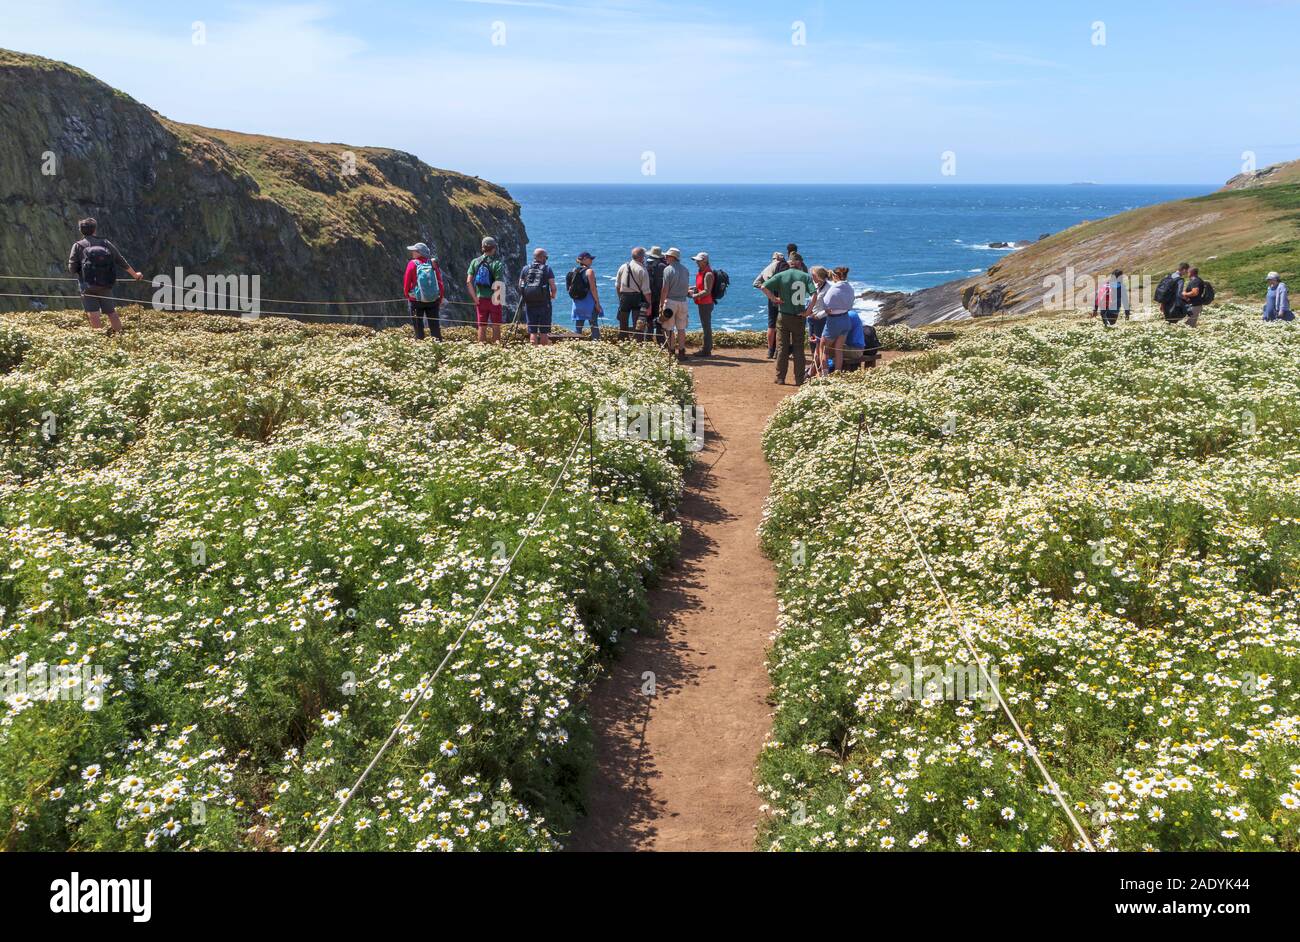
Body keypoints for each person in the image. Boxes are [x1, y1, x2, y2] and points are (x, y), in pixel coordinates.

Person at [66, 217, 144, 335]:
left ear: (81, 230)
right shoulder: (105, 243)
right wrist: (135, 275)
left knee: (93, 314)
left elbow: (71, 269)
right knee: (111, 313)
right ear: (94, 230)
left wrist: (82, 271)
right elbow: (120, 260)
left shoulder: (77, 246)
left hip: (87, 286)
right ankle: (120, 337)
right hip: (105, 284)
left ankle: (99, 341)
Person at [762, 255, 815, 385]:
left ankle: (780, 378)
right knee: (798, 349)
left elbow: (763, 286)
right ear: (799, 263)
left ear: (790, 263)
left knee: (782, 348)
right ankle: (799, 379)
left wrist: (774, 299)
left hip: (784, 315)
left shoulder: (781, 275)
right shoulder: (805, 276)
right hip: (799, 316)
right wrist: (808, 311)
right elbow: (815, 294)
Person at [466, 236, 507, 344]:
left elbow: (468, 281)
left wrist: (475, 298)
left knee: (482, 326)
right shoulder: (497, 264)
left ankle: (481, 350)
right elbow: (498, 285)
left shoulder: (475, 262)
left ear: (482, 248)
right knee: (496, 326)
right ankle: (496, 351)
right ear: (494, 248)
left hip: (480, 298)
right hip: (494, 299)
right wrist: (499, 300)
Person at [817, 267, 857, 373]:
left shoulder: (834, 289)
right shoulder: (849, 287)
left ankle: (824, 375)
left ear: (835, 276)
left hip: (834, 321)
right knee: (838, 349)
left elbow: (825, 305)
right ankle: (837, 374)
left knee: (823, 349)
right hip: (845, 319)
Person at [402, 242, 443, 341]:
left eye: (414, 251)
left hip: (416, 300)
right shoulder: (432, 263)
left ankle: (420, 348)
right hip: (433, 300)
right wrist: (440, 297)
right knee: (434, 327)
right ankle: (438, 348)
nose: (412, 252)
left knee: (418, 326)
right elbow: (439, 281)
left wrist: (408, 295)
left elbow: (407, 282)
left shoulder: (412, 264)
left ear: (419, 253)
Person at [518, 247, 557, 345]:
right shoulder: (547, 269)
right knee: (544, 331)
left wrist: (526, 295)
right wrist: (553, 296)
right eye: (546, 257)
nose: (546, 259)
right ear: (542, 257)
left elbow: (520, 285)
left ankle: (533, 352)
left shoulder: (526, 268)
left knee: (532, 330)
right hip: (544, 303)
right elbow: (553, 286)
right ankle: (543, 352)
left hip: (530, 302)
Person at [658, 247, 691, 361]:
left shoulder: (668, 269)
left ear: (673, 257)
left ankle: (671, 351)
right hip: (683, 302)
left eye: (667, 256)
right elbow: (686, 287)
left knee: (669, 328)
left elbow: (665, 289)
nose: (665, 257)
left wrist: (661, 304)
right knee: (681, 328)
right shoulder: (685, 269)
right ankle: (682, 352)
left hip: (671, 302)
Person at [754, 251, 788, 359]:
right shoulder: (785, 267)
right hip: (782, 298)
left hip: (772, 298)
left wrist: (769, 292)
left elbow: (756, 283)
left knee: (771, 325)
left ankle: (770, 350)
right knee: (782, 325)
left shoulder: (767, 268)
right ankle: (778, 350)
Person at [615, 247, 653, 340]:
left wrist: (620, 297)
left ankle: (623, 340)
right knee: (638, 322)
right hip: (637, 297)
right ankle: (637, 342)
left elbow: (617, 285)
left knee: (623, 322)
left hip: (624, 296)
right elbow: (646, 291)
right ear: (641, 257)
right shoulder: (642, 270)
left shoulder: (623, 266)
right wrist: (649, 305)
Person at [568, 252, 603, 339]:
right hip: (589, 302)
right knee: (594, 324)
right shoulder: (589, 271)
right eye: (590, 259)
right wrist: (597, 303)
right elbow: (593, 289)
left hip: (577, 302)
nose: (592, 261)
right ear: (584, 260)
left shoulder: (573, 270)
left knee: (578, 326)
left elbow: (569, 288)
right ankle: (596, 344)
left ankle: (576, 344)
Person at [688, 251, 716, 357]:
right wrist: (690, 288)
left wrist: (693, 296)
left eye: (699, 261)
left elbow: (707, 291)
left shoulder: (708, 274)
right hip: (702, 303)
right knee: (705, 325)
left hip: (706, 303)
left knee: (706, 326)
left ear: (705, 261)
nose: (696, 262)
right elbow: (700, 286)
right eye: (696, 260)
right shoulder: (701, 271)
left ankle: (706, 350)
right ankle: (706, 348)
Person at [645, 246, 669, 347]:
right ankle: (661, 344)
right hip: (660, 298)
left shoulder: (646, 265)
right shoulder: (663, 266)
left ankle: (648, 343)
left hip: (649, 298)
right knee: (660, 322)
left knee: (649, 322)